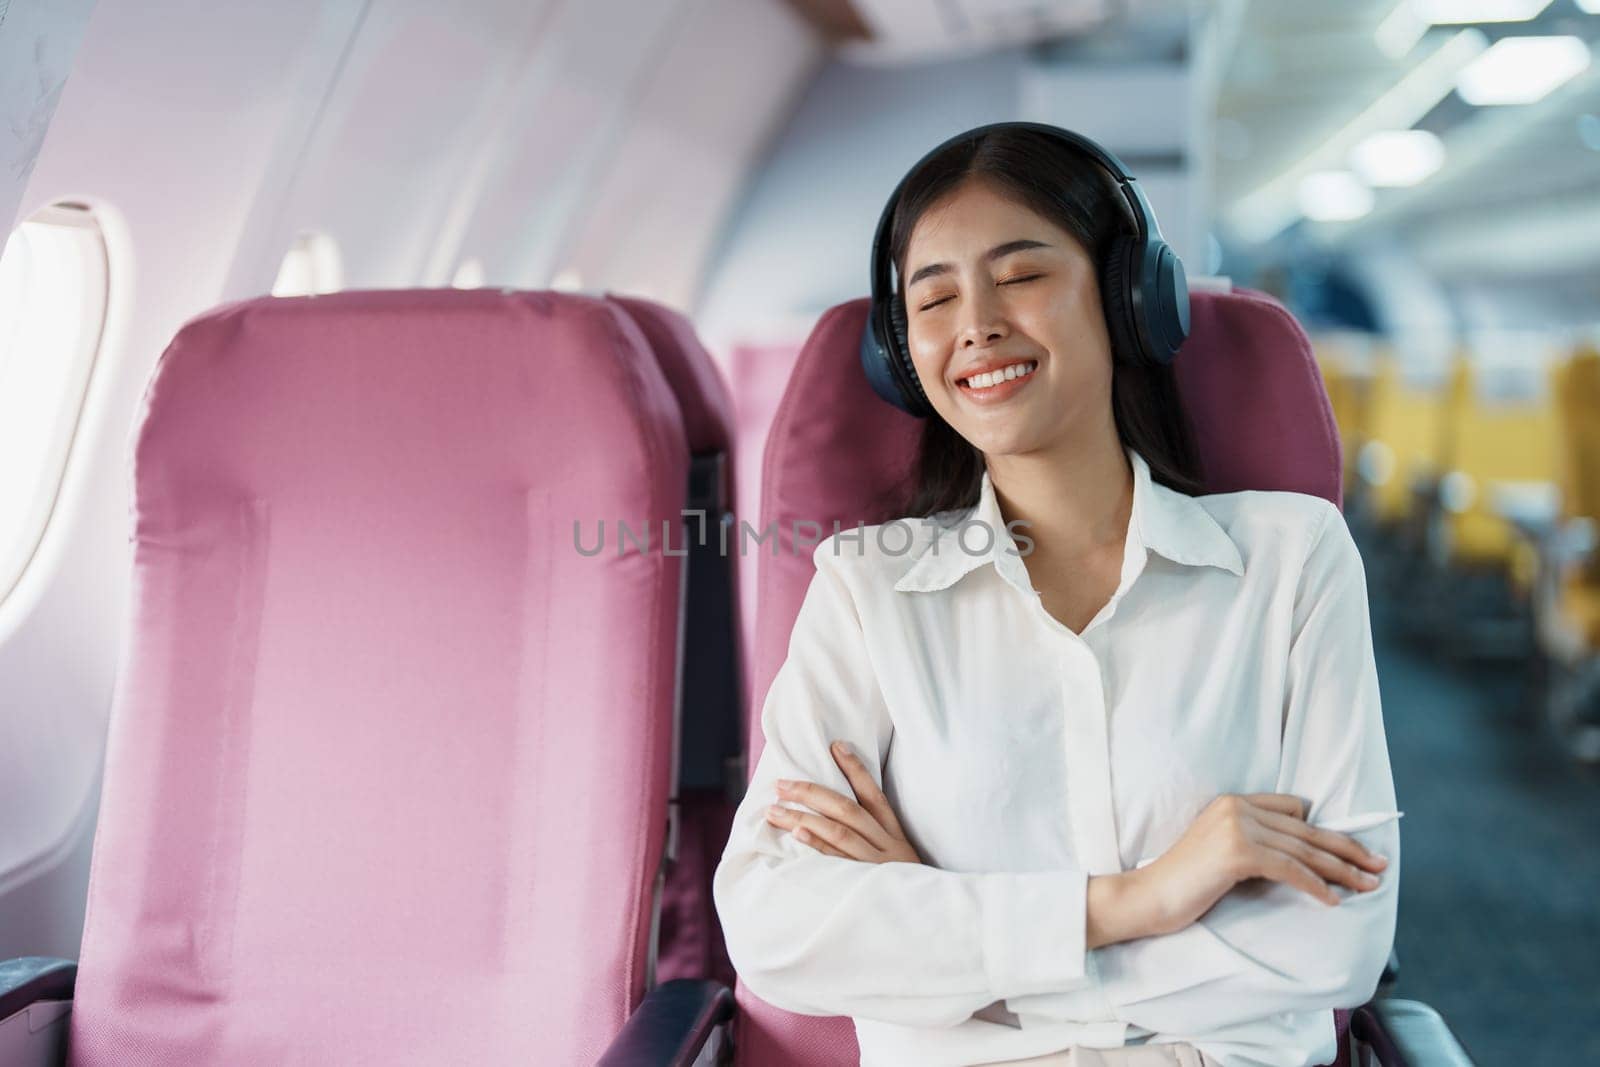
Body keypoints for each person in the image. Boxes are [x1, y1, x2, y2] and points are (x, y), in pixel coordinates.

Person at [711, 124, 1400, 1067]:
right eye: (936, 296)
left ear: (1128, 300)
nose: (977, 323)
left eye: (1021, 274)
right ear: (903, 353)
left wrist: (951, 935)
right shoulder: (868, 592)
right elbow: (772, 925)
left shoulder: (1292, 562)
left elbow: (1337, 943)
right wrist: (1141, 897)